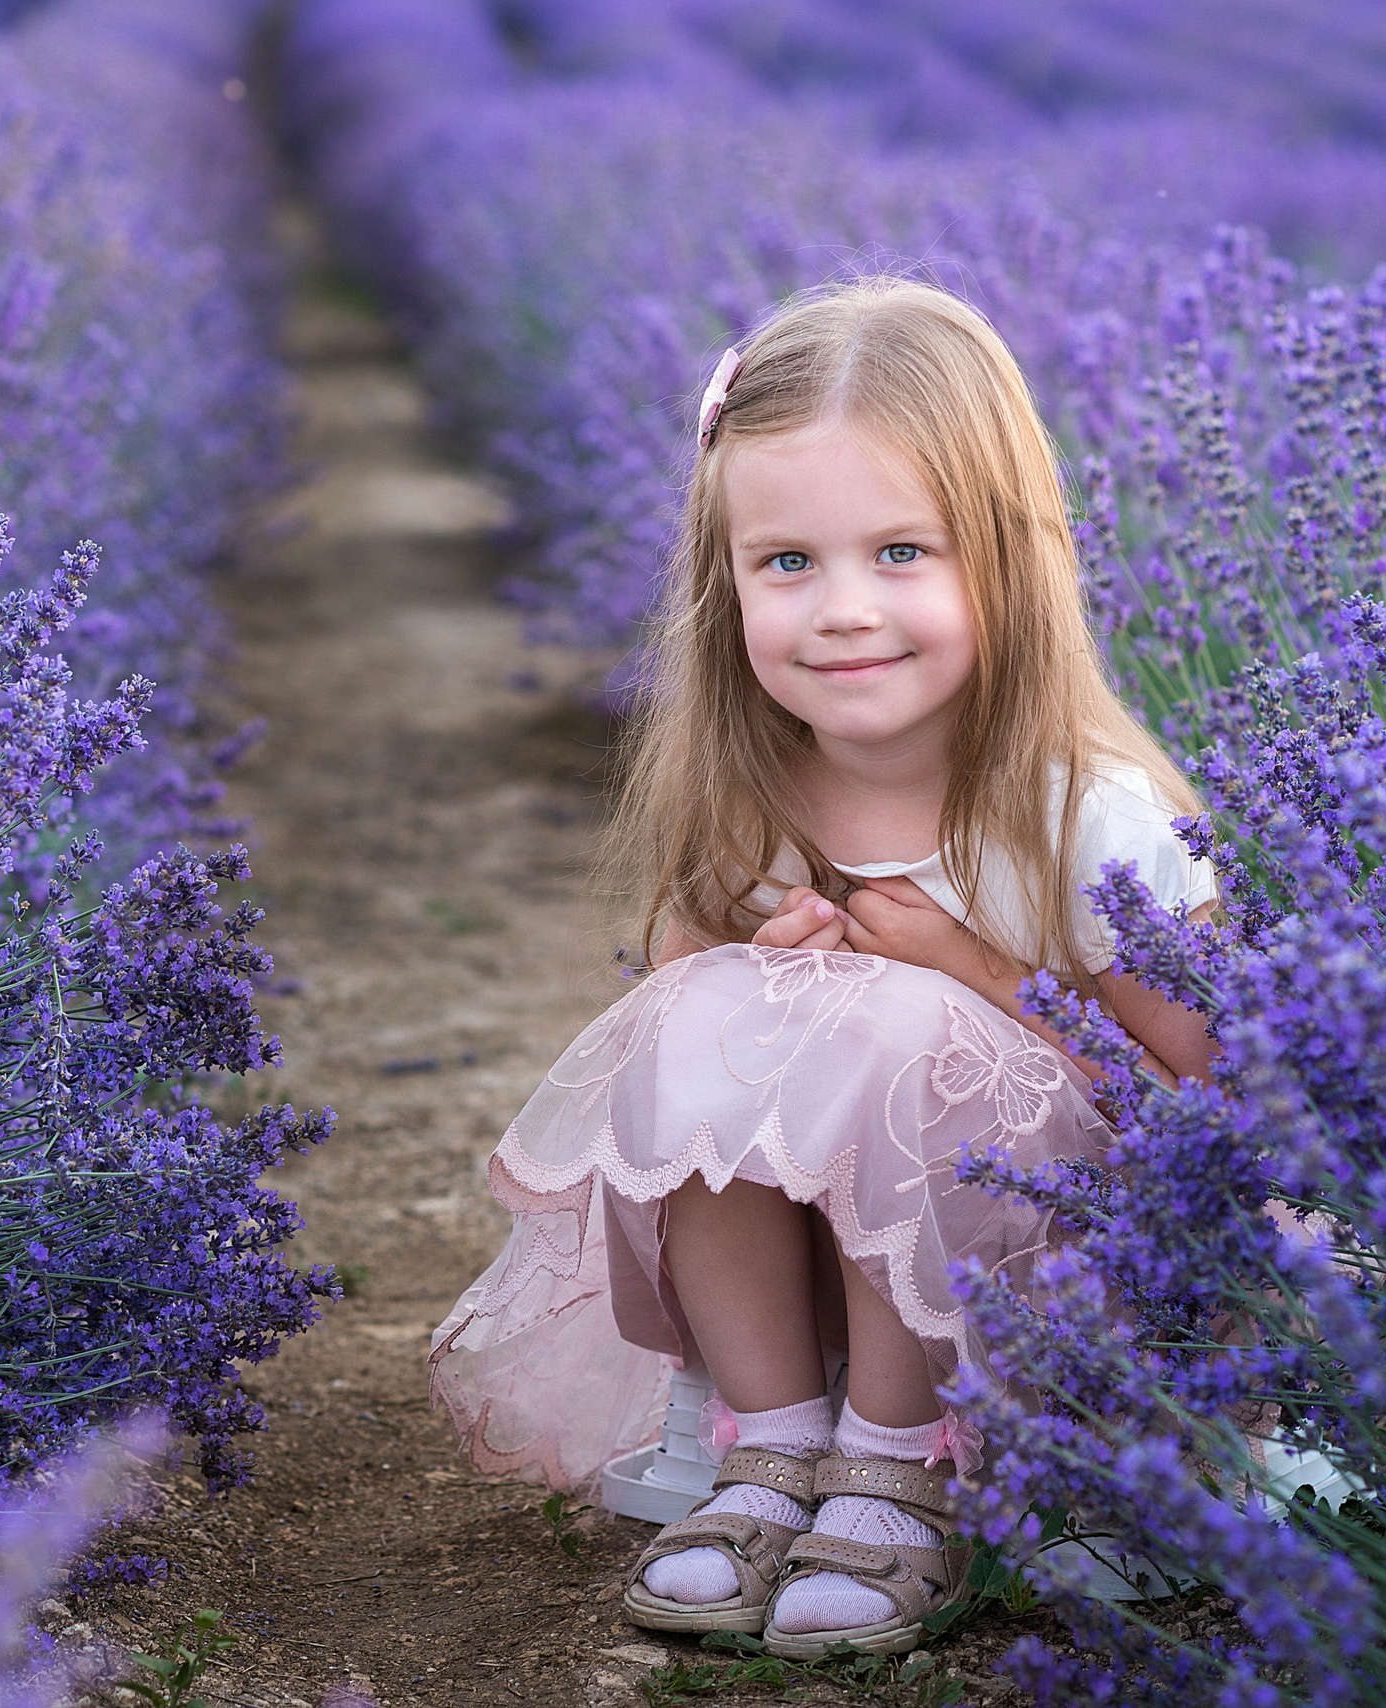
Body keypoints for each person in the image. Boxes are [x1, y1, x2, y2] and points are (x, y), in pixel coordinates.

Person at [426, 277, 1219, 1658]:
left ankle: (904, 1467)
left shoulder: (1082, 819)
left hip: (1057, 1275)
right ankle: (775, 1443)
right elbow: (679, 1048)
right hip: (821, 1283)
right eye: (787, 563)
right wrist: (743, 961)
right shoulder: (754, 792)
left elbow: (1208, 1104)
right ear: (723, 585)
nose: (845, 610)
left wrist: (972, 971)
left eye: (903, 552)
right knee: (709, 1012)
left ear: (1010, 560)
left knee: (898, 1031)